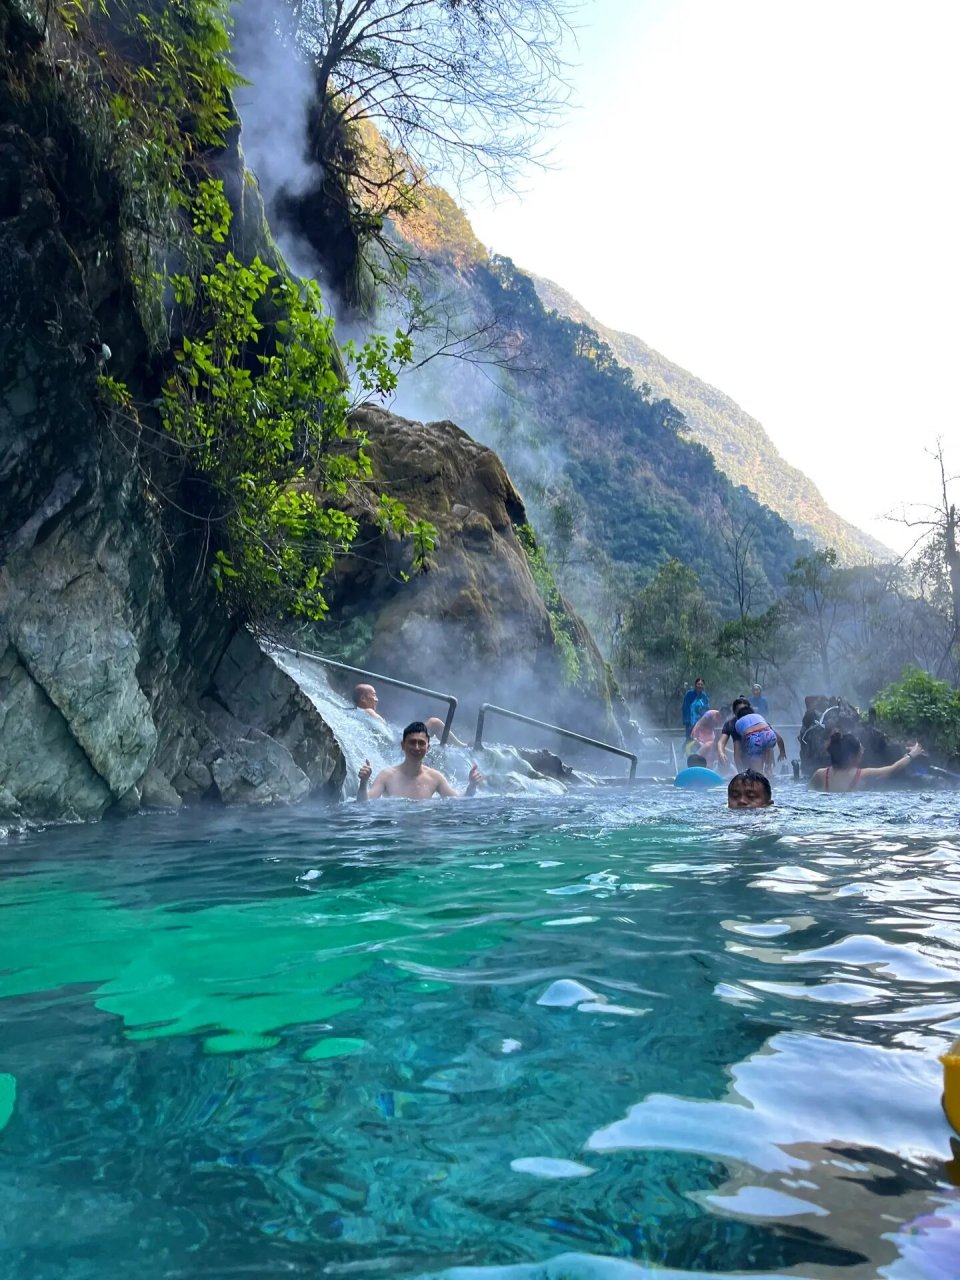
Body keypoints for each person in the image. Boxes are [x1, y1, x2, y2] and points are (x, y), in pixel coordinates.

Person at [357, 721, 483, 800]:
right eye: (412, 742)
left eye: (421, 743)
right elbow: (365, 803)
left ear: (428, 748)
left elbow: (459, 800)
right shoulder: (387, 776)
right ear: (403, 745)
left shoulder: (435, 778)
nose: (416, 748)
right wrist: (363, 783)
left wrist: (472, 786)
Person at [808, 732, 926, 792]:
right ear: (851, 758)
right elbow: (893, 768)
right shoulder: (862, 775)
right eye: (860, 750)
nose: (863, 751)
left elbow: (808, 794)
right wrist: (913, 753)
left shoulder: (820, 774)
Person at [734, 708, 784, 777]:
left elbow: (744, 736)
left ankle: (758, 774)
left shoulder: (738, 723)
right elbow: (778, 737)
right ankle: (769, 769)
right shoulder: (759, 717)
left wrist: (744, 751)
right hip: (769, 735)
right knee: (768, 747)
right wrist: (782, 751)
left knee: (756, 770)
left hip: (753, 738)